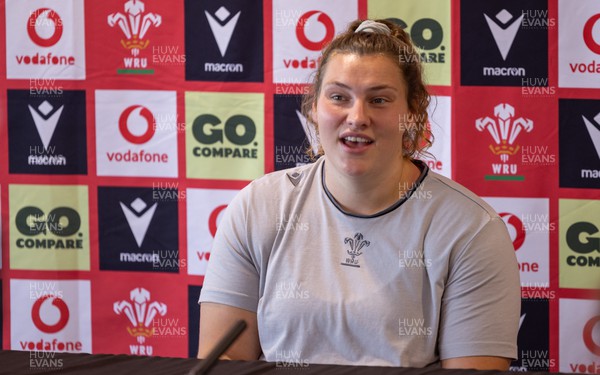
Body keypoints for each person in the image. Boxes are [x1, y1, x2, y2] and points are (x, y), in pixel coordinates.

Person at [198, 19, 520, 370]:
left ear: (412, 115)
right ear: (313, 108)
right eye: (338, 97)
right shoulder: (256, 207)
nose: (357, 117)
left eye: (379, 100)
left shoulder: (471, 230)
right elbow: (224, 361)